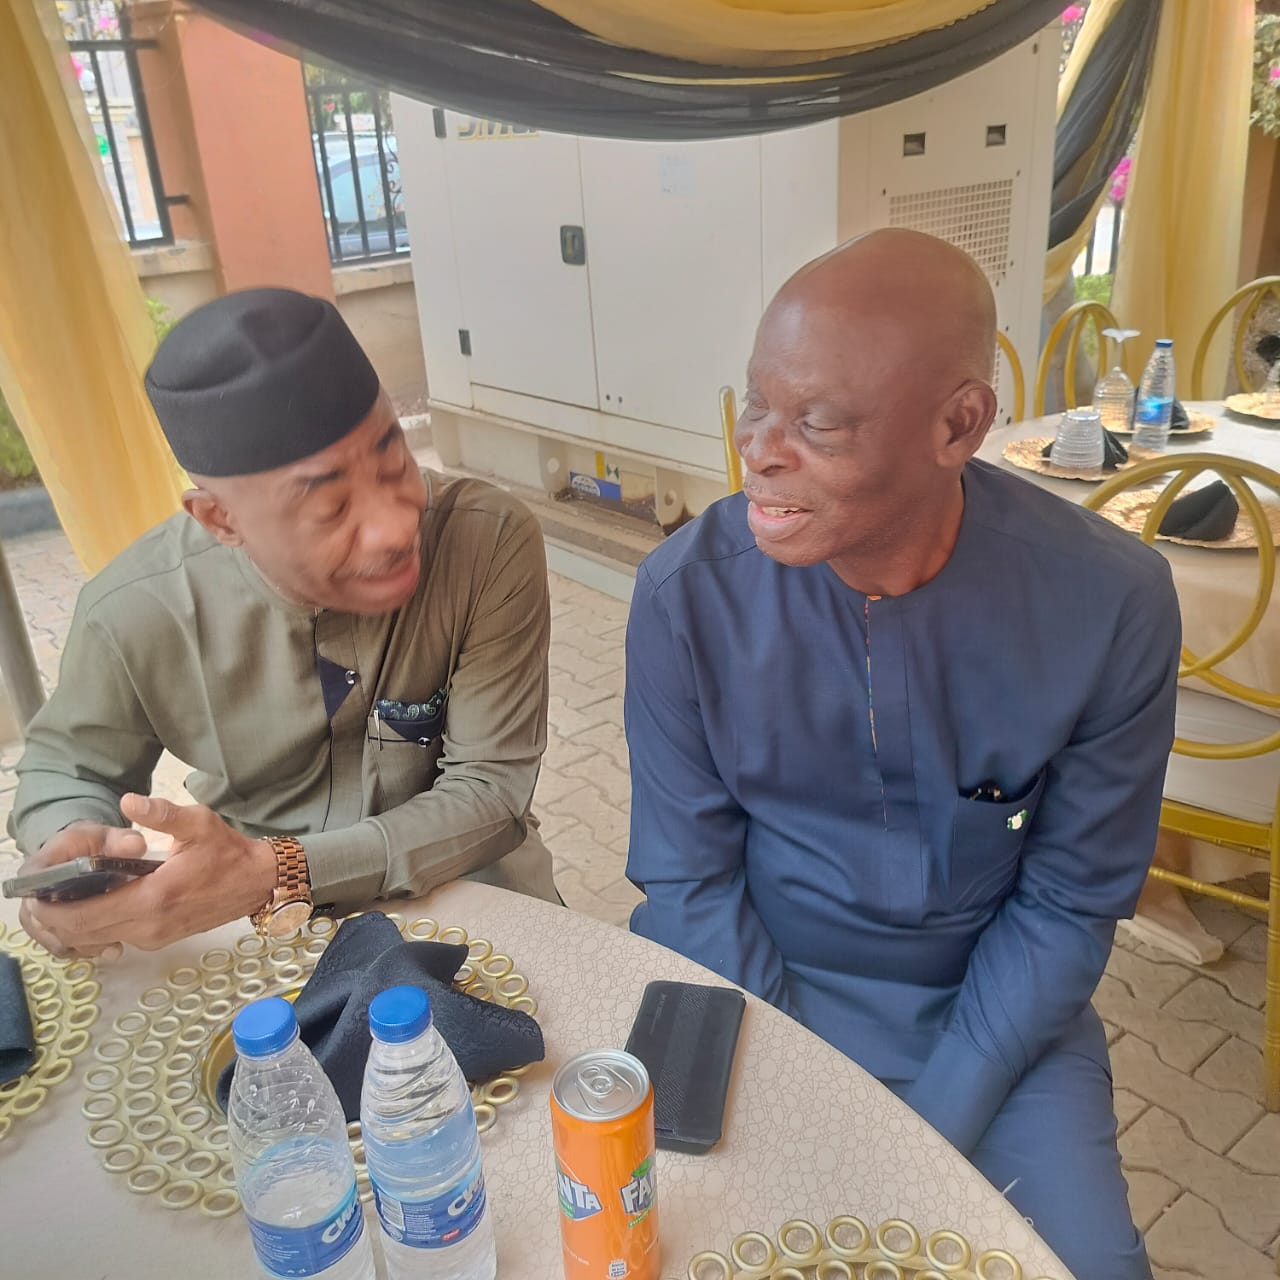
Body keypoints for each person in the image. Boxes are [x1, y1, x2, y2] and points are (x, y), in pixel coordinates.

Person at [624, 230, 1178, 1279]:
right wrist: (811, 1096)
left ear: (956, 424)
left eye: (817, 423)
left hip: (995, 1016)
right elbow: (686, 879)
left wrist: (922, 1130)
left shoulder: (1107, 603)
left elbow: (1069, 903)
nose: (760, 450)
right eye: (757, 403)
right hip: (746, 987)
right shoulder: (686, 595)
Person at [13, 287, 558, 959]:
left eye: (394, 461)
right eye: (331, 508)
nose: (395, 526)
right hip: (257, 935)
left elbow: (491, 791)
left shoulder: (487, 542)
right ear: (221, 520)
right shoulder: (136, 610)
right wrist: (70, 841)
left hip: (473, 894)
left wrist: (276, 869)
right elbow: (67, 765)